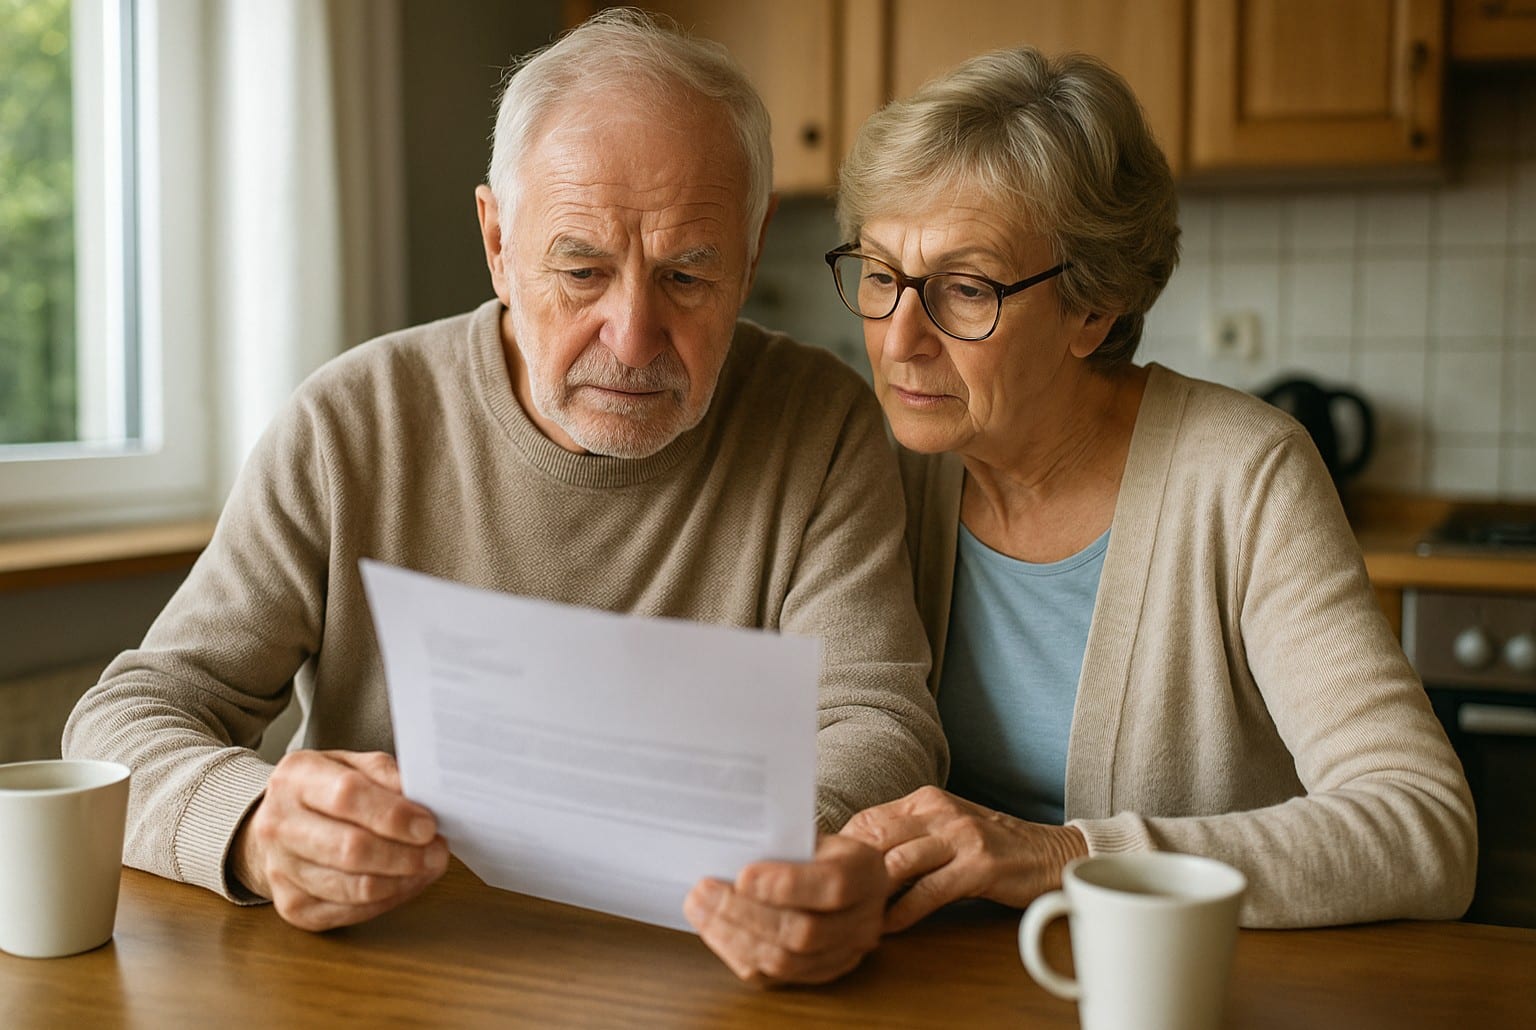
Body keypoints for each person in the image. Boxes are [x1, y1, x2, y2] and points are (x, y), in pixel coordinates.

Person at [63, 9, 943, 984]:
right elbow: (124, 720)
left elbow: (879, 717)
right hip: (395, 971)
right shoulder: (353, 423)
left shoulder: (821, 423)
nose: (634, 335)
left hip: (708, 969)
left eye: (689, 275)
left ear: (752, 241)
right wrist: (258, 828)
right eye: (582, 270)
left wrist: (794, 856)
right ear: (496, 238)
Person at [810, 47, 1474, 933]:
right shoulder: (879, 471)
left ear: (1097, 305)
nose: (899, 341)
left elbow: (1423, 829)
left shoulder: (1242, 476)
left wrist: (1067, 857)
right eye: (883, 276)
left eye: (965, 290)